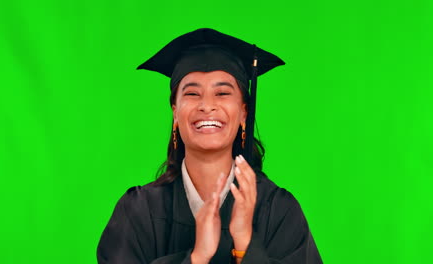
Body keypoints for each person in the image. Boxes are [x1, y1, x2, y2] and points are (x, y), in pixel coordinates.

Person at [97, 28, 323, 264]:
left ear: (244, 112)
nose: (207, 105)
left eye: (222, 93)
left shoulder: (278, 211)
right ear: (175, 112)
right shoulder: (138, 212)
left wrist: (245, 243)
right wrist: (197, 257)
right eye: (193, 93)